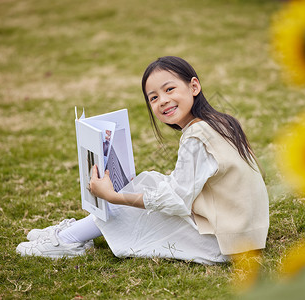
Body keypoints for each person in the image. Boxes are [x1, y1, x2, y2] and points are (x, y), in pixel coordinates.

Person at [16, 56, 269, 264]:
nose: (163, 101)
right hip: (244, 235)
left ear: (194, 86)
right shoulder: (220, 122)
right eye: (154, 97)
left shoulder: (196, 135)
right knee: (148, 184)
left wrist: (115, 197)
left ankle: (68, 239)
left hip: (224, 243)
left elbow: (175, 199)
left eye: (169, 89)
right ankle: (72, 234)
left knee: (138, 201)